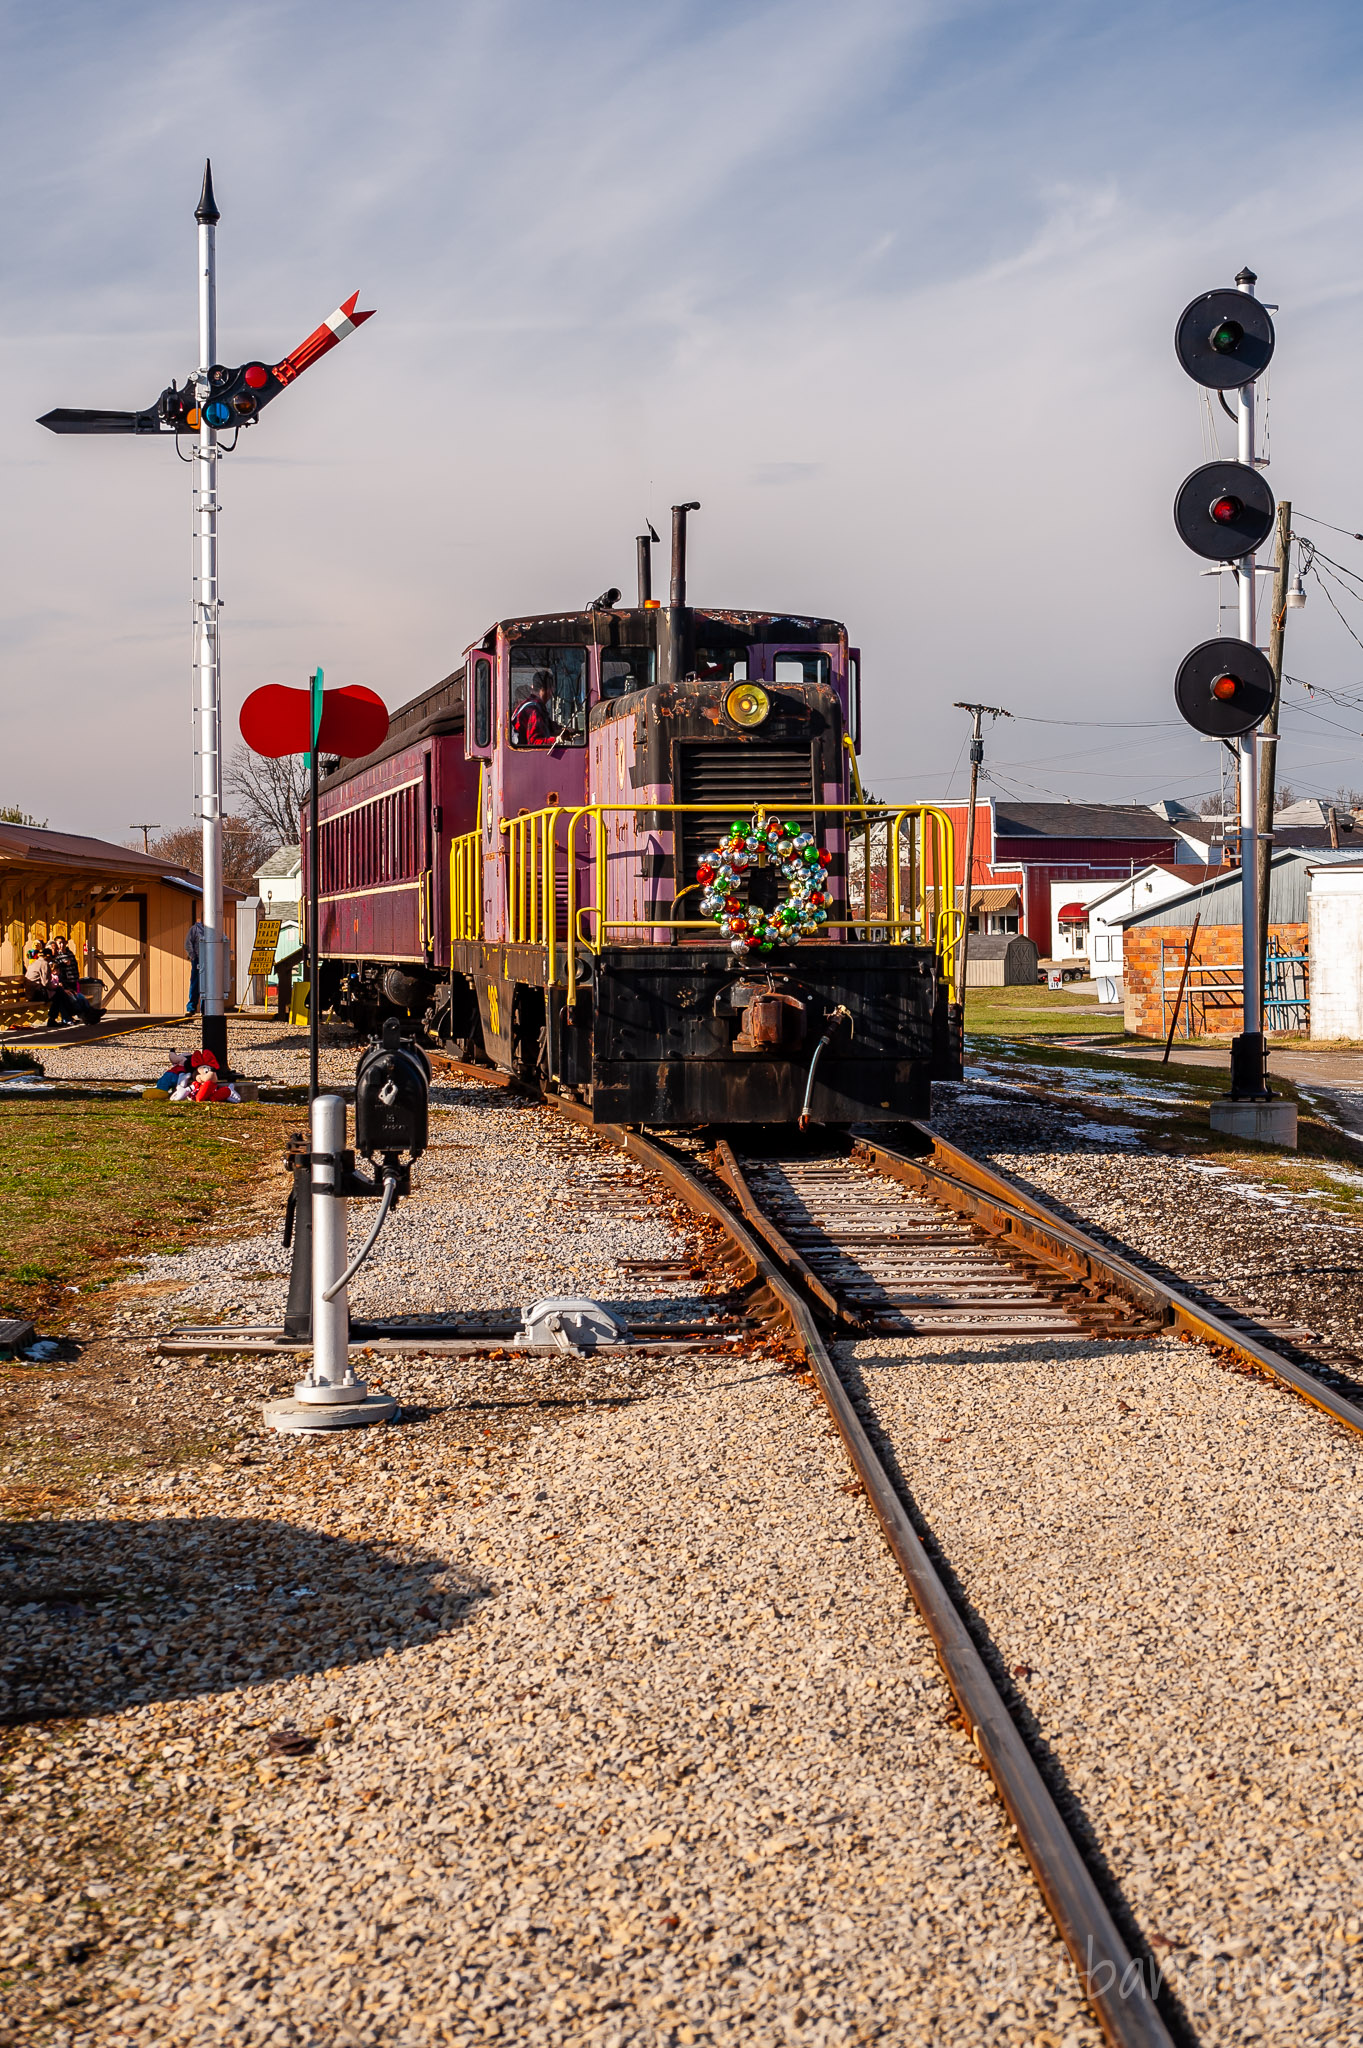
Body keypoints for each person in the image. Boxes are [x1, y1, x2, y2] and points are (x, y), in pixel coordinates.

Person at [47, 937, 96, 1028]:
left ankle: (90, 1012)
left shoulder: (69, 954)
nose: (61, 945)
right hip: (61, 984)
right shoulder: (55, 958)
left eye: (63, 943)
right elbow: (53, 972)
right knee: (69, 999)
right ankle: (75, 1016)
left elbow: (74, 966)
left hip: (71, 980)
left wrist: (76, 978)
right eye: (59, 943)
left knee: (78, 997)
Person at [509, 672, 561, 748]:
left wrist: (563, 730)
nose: (551, 693)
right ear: (547, 689)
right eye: (552, 688)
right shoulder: (533, 710)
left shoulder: (534, 705)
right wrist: (556, 740)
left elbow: (548, 726)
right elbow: (534, 742)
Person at [185, 917, 207, 1014]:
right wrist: (193, 956)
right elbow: (188, 943)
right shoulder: (195, 929)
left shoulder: (216, 929)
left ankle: (205, 1009)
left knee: (208, 985)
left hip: (210, 960)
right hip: (198, 959)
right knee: (195, 983)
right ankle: (191, 1008)